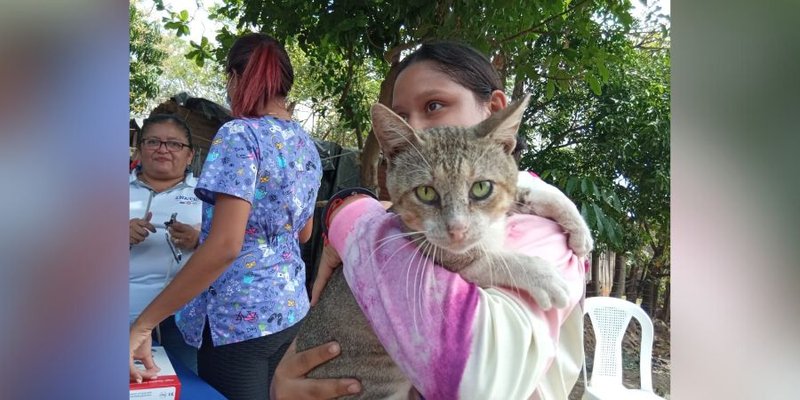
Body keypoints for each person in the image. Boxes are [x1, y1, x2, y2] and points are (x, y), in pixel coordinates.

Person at [271, 41, 589, 400]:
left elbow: (478, 383)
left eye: (434, 105)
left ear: (495, 110)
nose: (417, 128)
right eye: (402, 117)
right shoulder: (413, 213)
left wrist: (350, 215)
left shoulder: (548, 236)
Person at [129, 32, 323, 400]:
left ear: (235, 78)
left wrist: (143, 325)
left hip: (237, 321)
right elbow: (303, 233)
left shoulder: (239, 135)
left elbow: (225, 247)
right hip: (288, 309)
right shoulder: (305, 145)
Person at [129, 114, 202, 373]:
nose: (163, 149)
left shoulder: (208, 197)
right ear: (140, 149)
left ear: (190, 155)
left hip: (181, 319)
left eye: (174, 144)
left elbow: (227, 248)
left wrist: (198, 240)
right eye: (153, 142)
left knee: (181, 386)